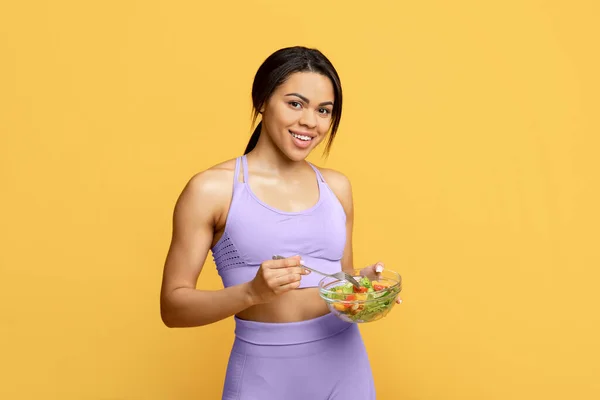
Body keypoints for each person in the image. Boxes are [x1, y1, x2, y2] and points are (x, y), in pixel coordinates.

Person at [159, 46, 401, 400]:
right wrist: (251, 293)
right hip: (263, 376)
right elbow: (172, 308)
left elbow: (339, 282)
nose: (310, 122)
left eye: (323, 111)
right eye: (295, 104)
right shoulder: (212, 189)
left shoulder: (337, 187)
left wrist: (360, 287)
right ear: (261, 101)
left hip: (346, 370)